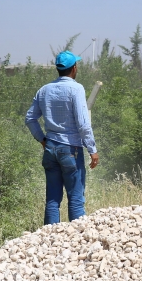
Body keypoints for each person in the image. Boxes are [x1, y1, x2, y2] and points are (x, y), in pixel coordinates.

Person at [25, 51, 99, 224]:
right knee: (75, 200)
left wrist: (43, 140)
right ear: (74, 68)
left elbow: (30, 118)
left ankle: (49, 244)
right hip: (71, 150)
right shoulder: (76, 88)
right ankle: (77, 243)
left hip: (50, 148)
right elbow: (83, 124)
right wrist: (92, 149)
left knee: (52, 200)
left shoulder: (44, 90)